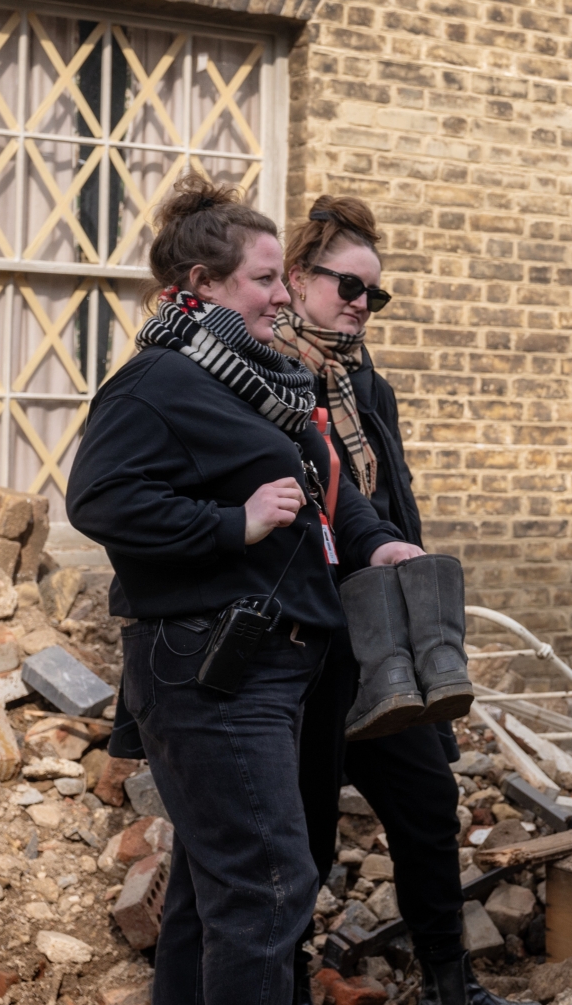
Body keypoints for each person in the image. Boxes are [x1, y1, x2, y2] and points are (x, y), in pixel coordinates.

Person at [67, 175, 425, 1005]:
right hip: (209, 668)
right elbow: (98, 499)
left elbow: (324, 485)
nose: (281, 293)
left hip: (271, 664)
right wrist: (235, 522)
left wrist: (375, 543)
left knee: (213, 887)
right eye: (264, 278)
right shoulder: (158, 380)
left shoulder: (254, 382)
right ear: (203, 284)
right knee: (267, 886)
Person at [280, 195, 523, 1005]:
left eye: (373, 293)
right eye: (347, 285)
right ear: (296, 277)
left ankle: (452, 984)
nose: (360, 303)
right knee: (303, 829)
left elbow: (393, 505)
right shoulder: (262, 372)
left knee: (428, 802)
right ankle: (284, 982)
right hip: (303, 641)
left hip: (379, 636)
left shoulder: (365, 384)